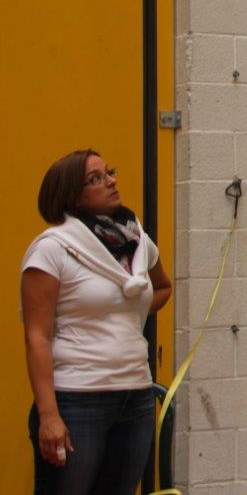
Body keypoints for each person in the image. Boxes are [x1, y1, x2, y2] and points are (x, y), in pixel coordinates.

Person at [21, 150, 173, 495]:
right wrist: (49, 416)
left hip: (135, 395)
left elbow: (162, 288)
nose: (111, 181)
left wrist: (123, 315)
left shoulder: (137, 241)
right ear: (72, 196)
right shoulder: (53, 249)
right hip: (76, 400)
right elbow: (37, 336)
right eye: (96, 178)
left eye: (109, 172)